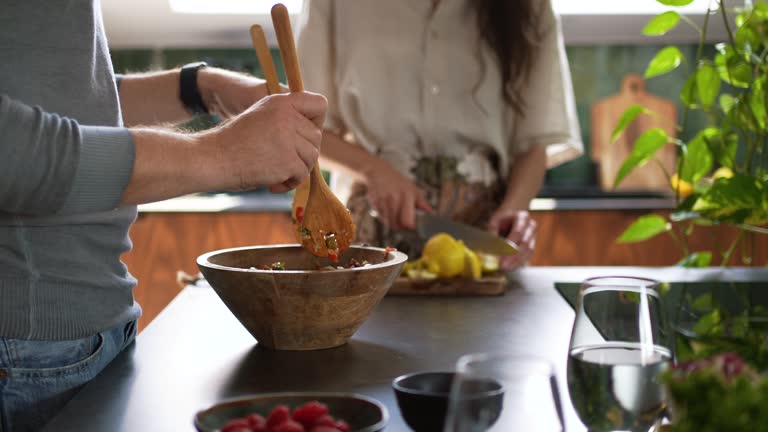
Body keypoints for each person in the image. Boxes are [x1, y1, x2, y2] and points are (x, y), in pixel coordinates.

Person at [0, 3, 326, 431]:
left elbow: (65, 97)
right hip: (26, 348)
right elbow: (16, 148)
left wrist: (200, 88)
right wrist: (225, 152)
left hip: (82, 334)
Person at [296, 0, 583, 269]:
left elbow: (533, 145)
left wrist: (513, 211)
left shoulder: (531, 7)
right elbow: (305, 126)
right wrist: (373, 170)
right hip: (367, 233)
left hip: (482, 242)